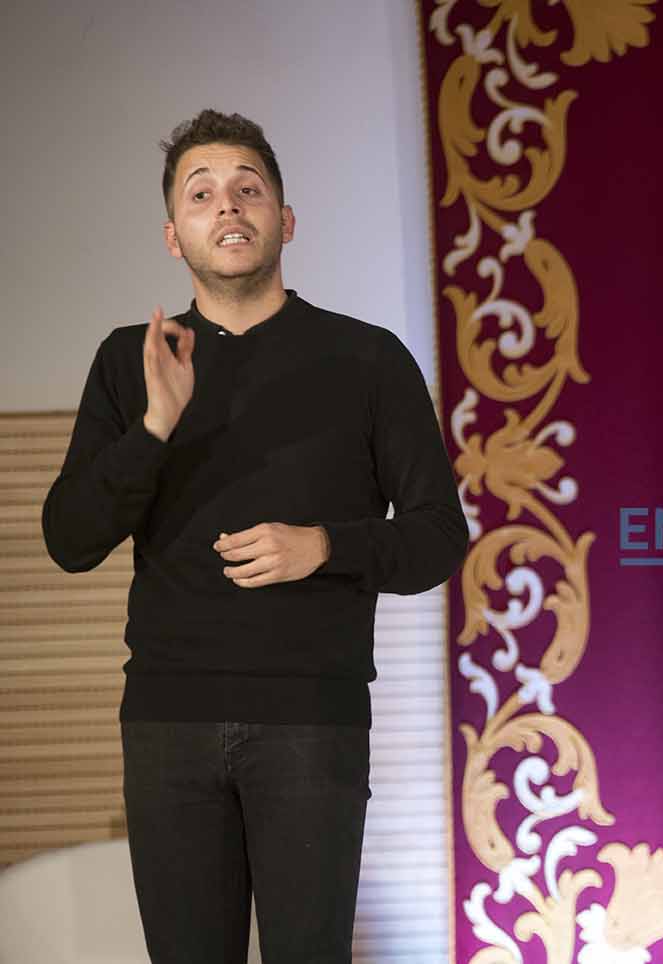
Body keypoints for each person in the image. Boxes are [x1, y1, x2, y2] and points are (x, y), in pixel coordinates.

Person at [42, 109, 467, 964]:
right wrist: (156, 425)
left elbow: (437, 537)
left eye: (248, 188)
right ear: (175, 235)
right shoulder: (132, 361)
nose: (226, 205)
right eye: (201, 194)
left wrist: (327, 547)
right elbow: (71, 538)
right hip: (168, 720)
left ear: (285, 219)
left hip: (313, 720)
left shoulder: (367, 359)